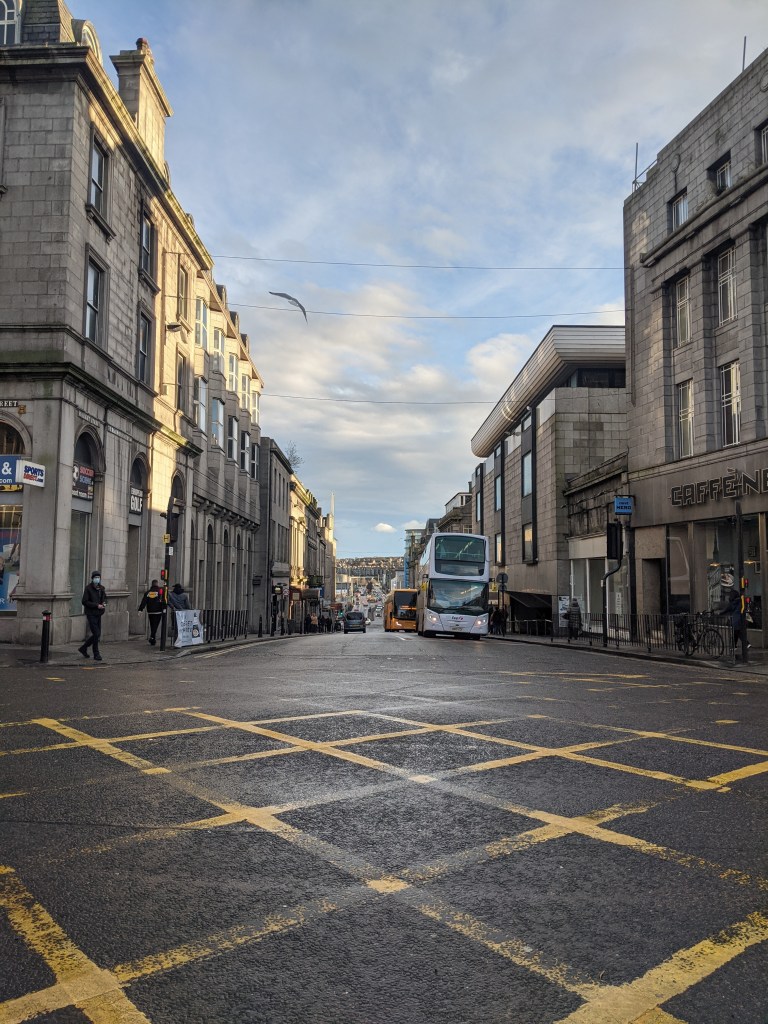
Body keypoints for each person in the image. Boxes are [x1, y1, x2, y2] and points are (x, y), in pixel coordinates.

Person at [79, 570, 106, 661]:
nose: (97, 579)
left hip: (99, 613)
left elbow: (105, 598)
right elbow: (84, 601)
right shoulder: (88, 588)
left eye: (98, 577)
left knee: (97, 634)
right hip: (91, 614)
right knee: (97, 633)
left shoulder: (101, 588)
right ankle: (96, 654)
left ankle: (83, 648)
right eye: (95, 577)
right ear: (92, 578)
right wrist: (96, 605)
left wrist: (104, 603)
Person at [138, 579, 165, 645]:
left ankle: (153, 639)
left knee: (152, 624)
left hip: (150, 611)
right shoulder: (160, 591)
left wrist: (140, 610)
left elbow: (144, 601)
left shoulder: (148, 592)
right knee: (155, 625)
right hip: (158, 611)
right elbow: (163, 600)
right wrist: (163, 608)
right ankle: (152, 637)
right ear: (157, 584)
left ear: (152, 584)